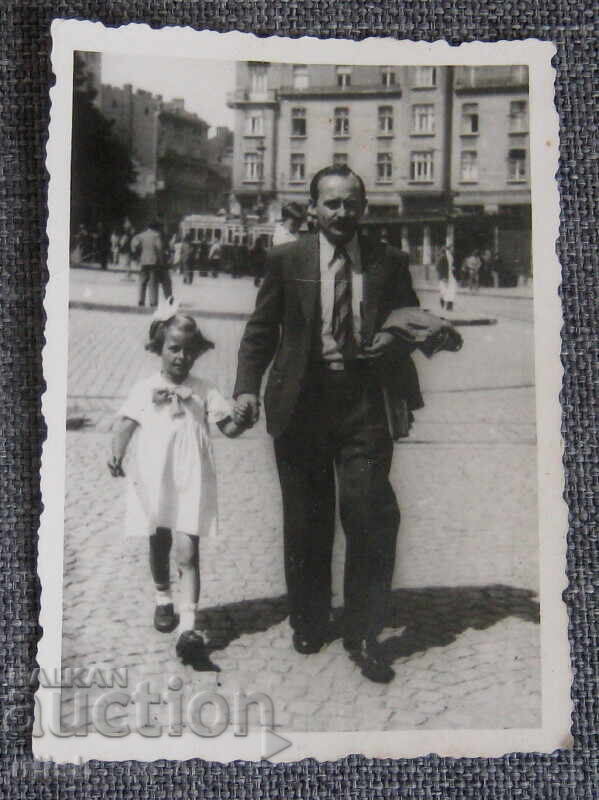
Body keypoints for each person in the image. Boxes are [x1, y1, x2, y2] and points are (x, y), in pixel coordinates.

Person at [232, 164, 426, 684]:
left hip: (365, 403)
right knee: (306, 518)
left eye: (351, 203)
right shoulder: (286, 258)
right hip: (302, 403)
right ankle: (309, 618)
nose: (342, 212)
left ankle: (363, 632)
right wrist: (246, 387)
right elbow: (261, 330)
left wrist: (395, 339)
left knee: (369, 513)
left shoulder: (388, 260)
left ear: (364, 208)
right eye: (332, 203)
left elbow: (410, 319)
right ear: (313, 208)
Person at [108, 304, 248, 670]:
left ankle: (188, 628)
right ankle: (162, 597)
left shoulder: (205, 390)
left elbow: (229, 428)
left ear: (197, 353)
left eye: (188, 350)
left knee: (188, 551)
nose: (181, 356)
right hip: (155, 480)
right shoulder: (146, 389)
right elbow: (125, 423)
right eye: (173, 348)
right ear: (159, 348)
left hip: (191, 481)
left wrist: (243, 419)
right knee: (158, 541)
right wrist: (116, 453)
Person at [131, 220, 171, 307]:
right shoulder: (156, 235)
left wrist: (138, 255)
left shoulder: (140, 235)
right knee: (153, 282)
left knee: (142, 281)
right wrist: (161, 260)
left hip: (143, 261)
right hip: (154, 261)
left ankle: (141, 300)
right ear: (156, 228)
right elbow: (159, 248)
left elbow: (134, 246)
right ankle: (153, 301)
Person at [437, 245, 457, 311]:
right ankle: (442, 299)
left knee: (452, 290)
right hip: (445, 276)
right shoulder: (443, 257)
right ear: (448, 249)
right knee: (444, 290)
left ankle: (449, 305)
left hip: (450, 275)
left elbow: (450, 265)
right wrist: (443, 277)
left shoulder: (451, 256)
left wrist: (452, 268)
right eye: (451, 249)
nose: (453, 250)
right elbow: (438, 267)